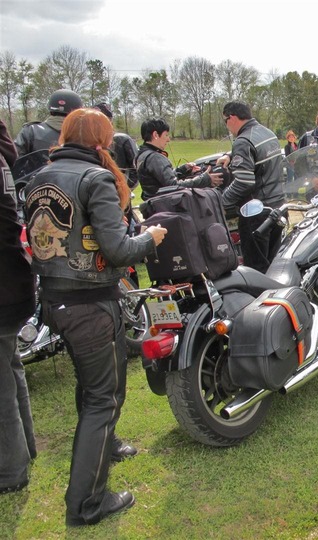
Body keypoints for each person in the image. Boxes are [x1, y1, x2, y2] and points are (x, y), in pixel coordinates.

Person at [23, 108, 167, 526]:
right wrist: (150, 237)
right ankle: (87, 503)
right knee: (103, 397)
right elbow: (119, 250)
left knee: (92, 388)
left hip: (55, 300)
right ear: (101, 142)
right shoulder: (96, 178)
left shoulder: (39, 177)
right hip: (90, 303)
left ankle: (109, 443)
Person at [0, 118, 36, 495]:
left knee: (1, 384)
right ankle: (25, 447)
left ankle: (10, 471)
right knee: (11, 367)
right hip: (14, 276)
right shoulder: (4, 155)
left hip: (4, 281)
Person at [220, 101, 285, 273]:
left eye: (225, 121)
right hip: (278, 206)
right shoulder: (267, 133)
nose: (227, 127)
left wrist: (220, 202)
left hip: (256, 213)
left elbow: (244, 182)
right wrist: (230, 154)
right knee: (273, 266)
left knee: (257, 270)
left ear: (232, 118)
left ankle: (260, 299)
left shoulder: (242, 141)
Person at [135, 117, 223, 200]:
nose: (168, 139)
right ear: (155, 135)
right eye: (166, 135)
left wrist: (183, 169)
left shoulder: (142, 155)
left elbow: (161, 181)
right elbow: (173, 186)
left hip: (155, 205)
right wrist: (204, 179)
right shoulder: (154, 157)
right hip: (167, 206)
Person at [14, 89, 83, 157]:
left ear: (50, 109)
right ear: (78, 112)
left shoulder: (31, 131)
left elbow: (15, 158)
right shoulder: (86, 134)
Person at [93, 102, 140, 188]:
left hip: (118, 193)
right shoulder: (86, 141)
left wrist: (123, 190)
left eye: (103, 119)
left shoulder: (122, 140)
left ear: (110, 120)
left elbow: (136, 170)